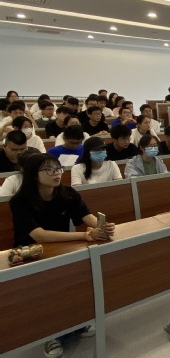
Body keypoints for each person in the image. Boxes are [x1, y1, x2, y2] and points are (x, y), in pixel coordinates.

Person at [10, 152, 115, 357]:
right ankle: (50, 334)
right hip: (30, 254)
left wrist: (102, 227)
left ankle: (75, 323)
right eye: (48, 170)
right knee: (48, 291)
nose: (56, 173)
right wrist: (85, 235)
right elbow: (39, 235)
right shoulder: (20, 201)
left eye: (58, 168)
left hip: (61, 247)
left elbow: (85, 215)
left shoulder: (67, 193)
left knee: (75, 282)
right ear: (33, 174)